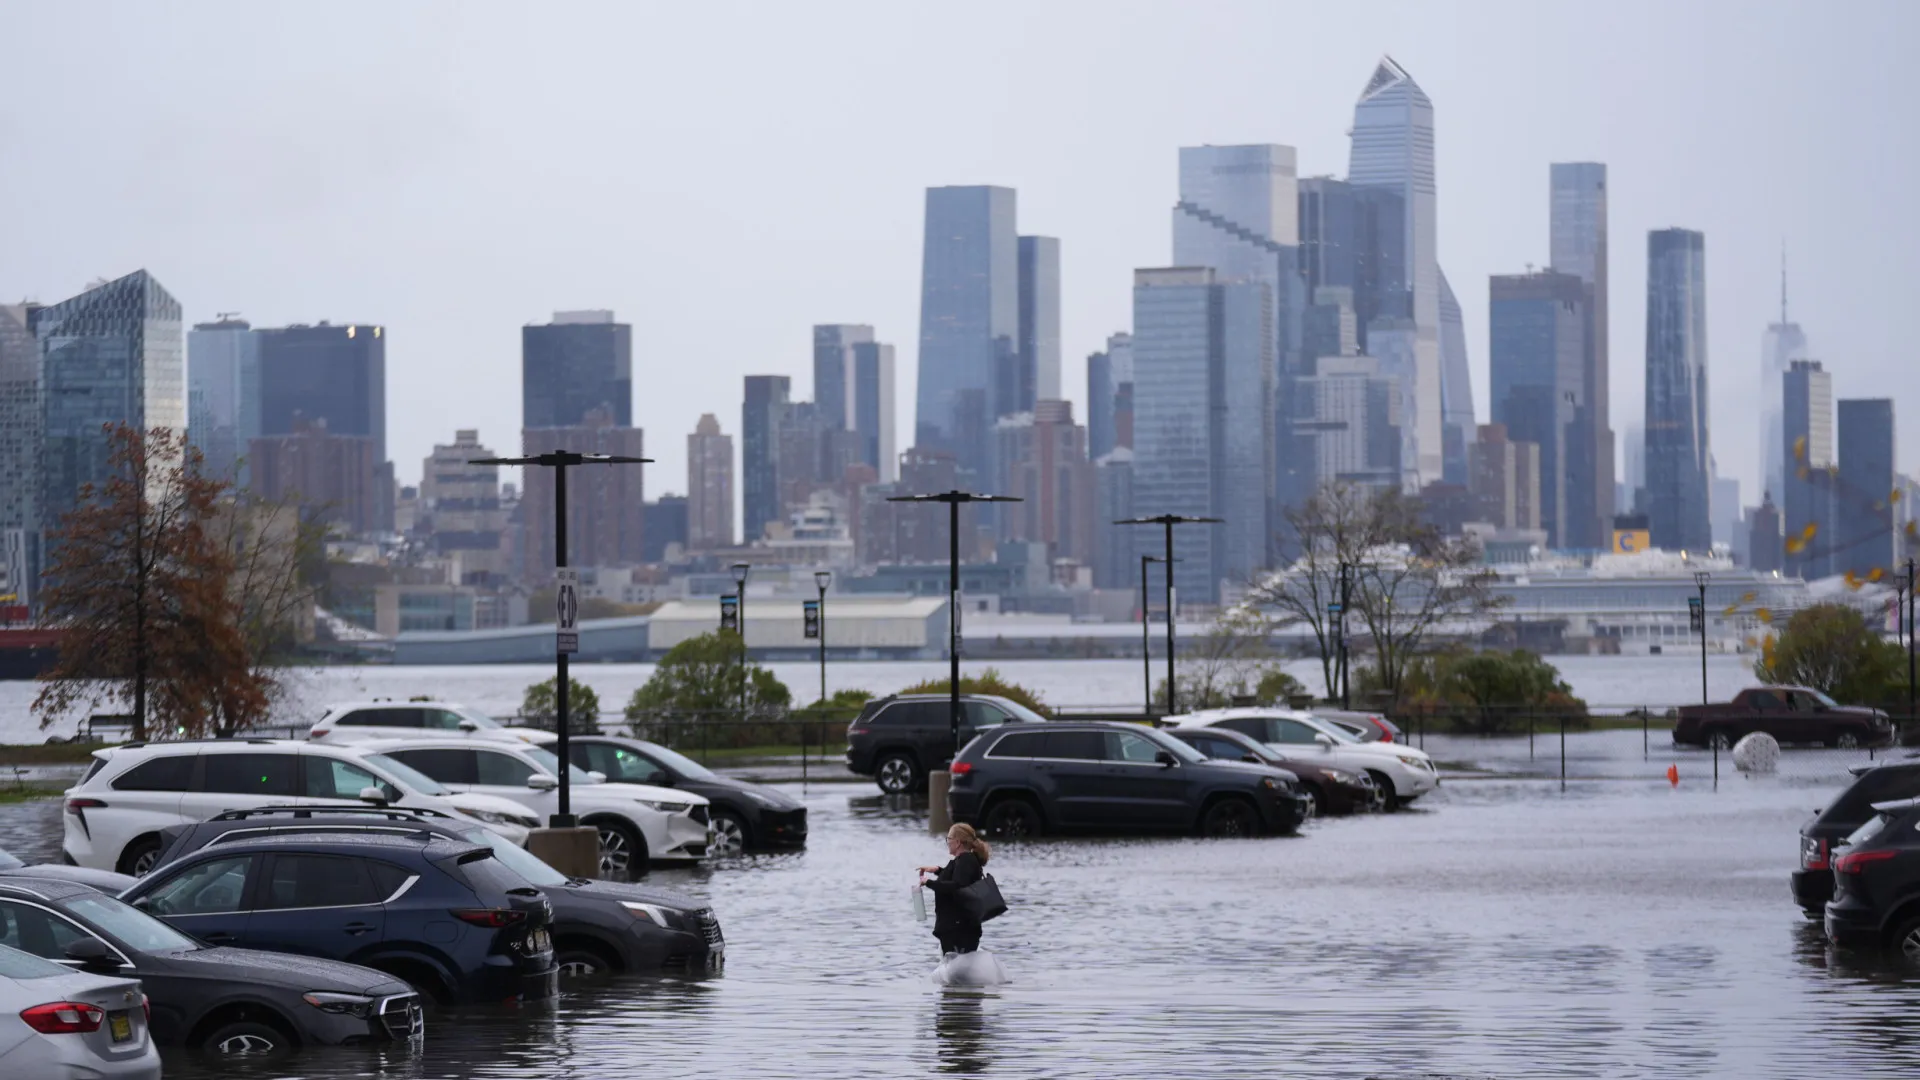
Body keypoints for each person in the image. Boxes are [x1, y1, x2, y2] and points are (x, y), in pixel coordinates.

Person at [918, 823, 990, 956]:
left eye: (948, 839)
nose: (947, 842)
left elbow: (957, 886)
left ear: (957, 842)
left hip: (959, 928)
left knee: (956, 960)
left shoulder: (966, 860)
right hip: (956, 927)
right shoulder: (963, 860)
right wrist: (937, 870)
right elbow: (956, 877)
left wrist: (929, 883)